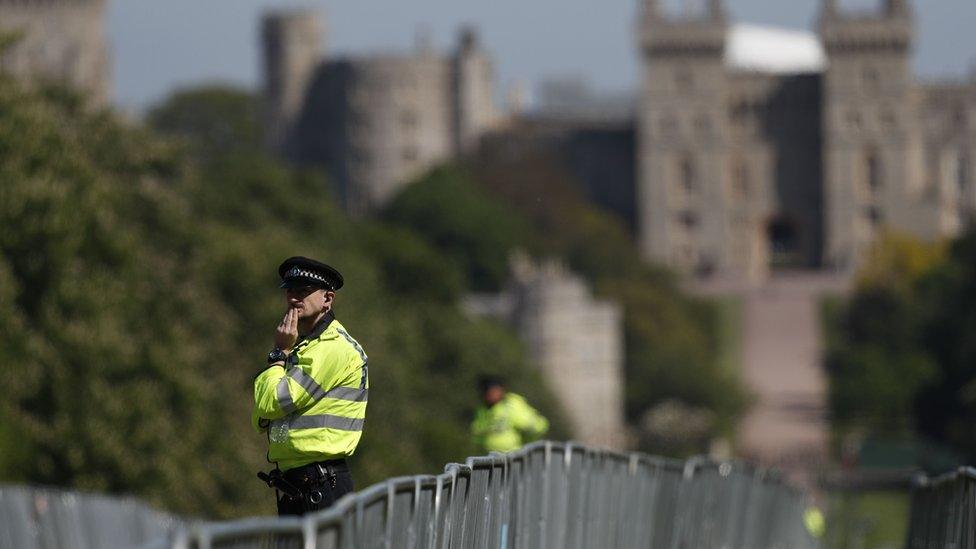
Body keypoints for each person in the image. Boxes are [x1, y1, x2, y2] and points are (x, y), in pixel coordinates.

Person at [252, 256, 368, 516]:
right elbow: (260, 418)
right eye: (290, 290)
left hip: (321, 484)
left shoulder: (332, 348)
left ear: (328, 299)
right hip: (298, 484)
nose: (294, 298)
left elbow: (271, 403)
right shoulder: (305, 346)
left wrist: (278, 354)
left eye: (304, 291)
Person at [470, 376, 549, 453]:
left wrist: (528, 433)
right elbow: (477, 435)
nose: (492, 395)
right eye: (488, 392)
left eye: (494, 391)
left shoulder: (511, 404)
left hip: (515, 457)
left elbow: (537, 426)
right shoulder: (481, 410)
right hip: (489, 458)